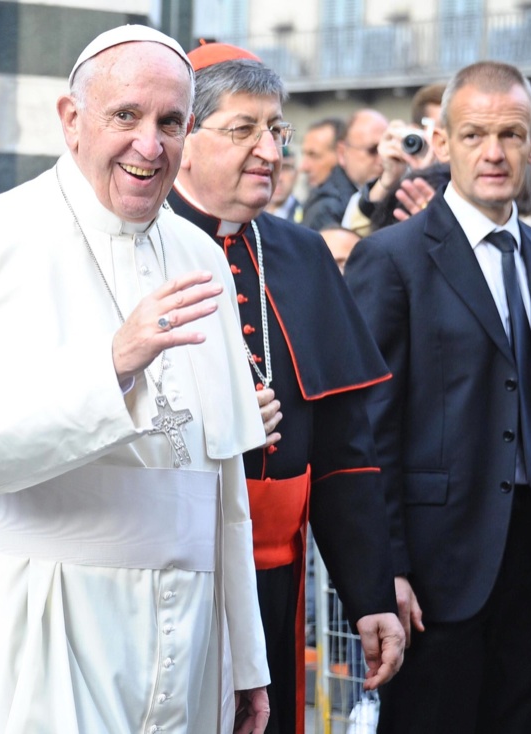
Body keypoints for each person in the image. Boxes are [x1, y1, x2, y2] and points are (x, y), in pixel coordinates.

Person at [0, 26, 271, 733]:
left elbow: (224, 488)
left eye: (171, 123)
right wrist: (112, 365)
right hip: (31, 629)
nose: (150, 146)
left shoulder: (200, 258)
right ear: (71, 120)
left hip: (185, 642)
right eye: (126, 116)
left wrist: (246, 661)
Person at [344, 60, 531, 734]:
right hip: (434, 569)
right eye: (476, 134)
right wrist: (385, 570)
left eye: (512, 134)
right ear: (445, 142)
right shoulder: (393, 260)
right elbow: (370, 433)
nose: (494, 151)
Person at [168, 42, 404, 734]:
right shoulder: (142, 247)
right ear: (184, 136)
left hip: (278, 571)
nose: (269, 149)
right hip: (177, 569)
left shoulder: (301, 253)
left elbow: (345, 452)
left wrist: (370, 595)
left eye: (276, 130)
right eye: (244, 129)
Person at [303, 109, 387, 231]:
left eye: (386, 148)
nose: (382, 159)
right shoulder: (328, 208)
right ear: (342, 152)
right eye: (372, 150)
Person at [265, 145, 302, 222]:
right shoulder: (249, 217)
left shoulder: (307, 217)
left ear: (296, 175)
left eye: (286, 168)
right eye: (273, 167)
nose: (279, 178)